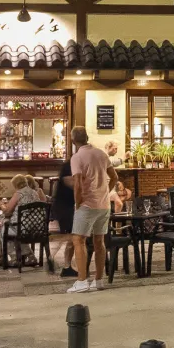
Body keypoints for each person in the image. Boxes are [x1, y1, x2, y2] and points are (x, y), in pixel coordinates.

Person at [68, 126, 118, 294]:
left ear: (73, 140)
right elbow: (115, 177)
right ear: (87, 137)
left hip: (87, 205)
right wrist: (106, 192)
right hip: (104, 205)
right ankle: (99, 280)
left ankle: (82, 281)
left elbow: (77, 184)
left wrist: (77, 204)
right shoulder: (101, 154)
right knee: (99, 241)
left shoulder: (77, 157)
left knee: (78, 240)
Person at [0, 175, 41, 265]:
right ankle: (31, 256)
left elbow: (7, 211)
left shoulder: (19, 194)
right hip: (36, 227)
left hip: (22, 227)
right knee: (15, 231)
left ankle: (14, 258)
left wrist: (2, 205)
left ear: (16, 185)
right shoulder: (34, 192)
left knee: (4, 229)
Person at [54, 160, 78, 278]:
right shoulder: (69, 165)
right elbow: (71, 183)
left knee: (73, 236)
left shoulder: (76, 164)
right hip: (64, 206)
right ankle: (56, 258)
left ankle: (67, 267)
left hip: (70, 205)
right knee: (72, 235)